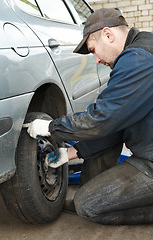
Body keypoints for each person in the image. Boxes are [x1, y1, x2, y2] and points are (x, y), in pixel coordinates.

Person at [24, 8, 153, 225]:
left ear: (108, 35)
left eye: (93, 50)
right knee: (88, 195)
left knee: (88, 205)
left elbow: (103, 119)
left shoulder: (138, 59)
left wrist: (51, 127)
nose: (97, 60)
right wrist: (73, 152)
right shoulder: (142, 48)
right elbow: (117, 121)